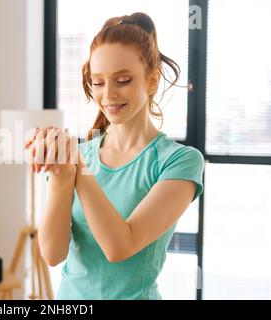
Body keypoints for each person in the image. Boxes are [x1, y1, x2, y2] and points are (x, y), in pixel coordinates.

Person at [24, 12, 205, 300]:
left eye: (122, 80)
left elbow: (120, 246)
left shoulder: (179, 161)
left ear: (152, 81)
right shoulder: (80, 155)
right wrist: (62, 176)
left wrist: (77, 169)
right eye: (97, 82)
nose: (107, 94)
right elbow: (52, 254)